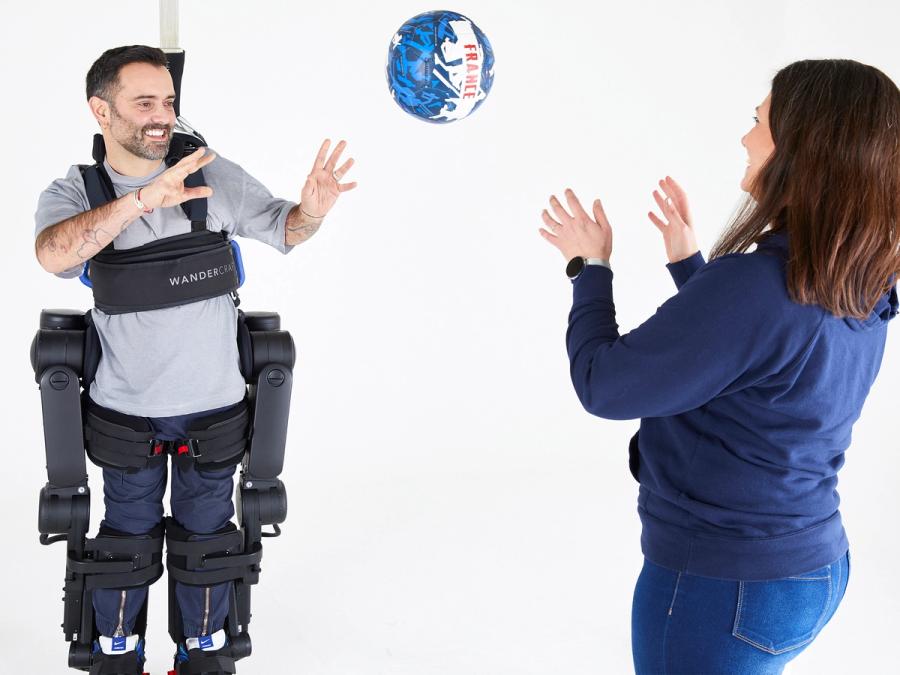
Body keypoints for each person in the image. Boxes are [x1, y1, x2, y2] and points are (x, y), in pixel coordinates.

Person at [539, 59, 898, 674]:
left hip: (723, 590)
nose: (746, 137)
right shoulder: (858, 276)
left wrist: (589, 269)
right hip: (812, 569)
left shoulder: (761, 285)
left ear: (802, 148)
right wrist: (691, 270)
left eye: (759, 122)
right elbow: (771, 363)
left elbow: (605, 384)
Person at [34, 45, 356, 675]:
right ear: (101, 110)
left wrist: (312, 210)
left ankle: (204, 651)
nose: (162, 116)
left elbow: (285, 229)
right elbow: (54, 256)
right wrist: (143, 200)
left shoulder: (207, 172)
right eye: (144, 102)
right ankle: (117, 653)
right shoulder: (75, 190)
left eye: (169, 102)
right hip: (126, 411)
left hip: (214, 411)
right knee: (125, 539)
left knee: (208, 541)